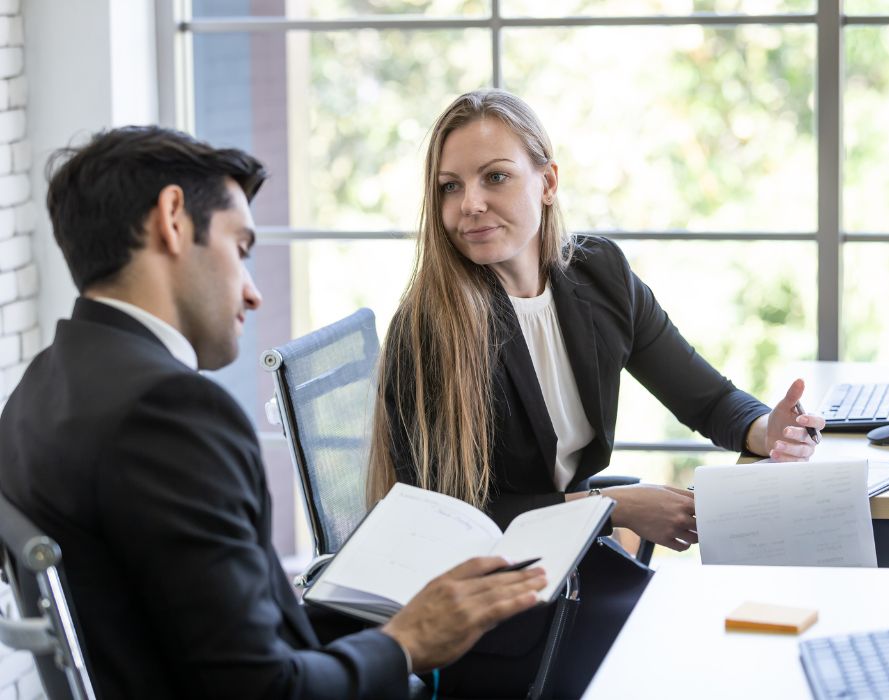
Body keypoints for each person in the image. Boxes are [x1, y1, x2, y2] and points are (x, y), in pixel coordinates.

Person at [0, 125, 548, 700]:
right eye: (240, 249)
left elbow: (205, 629)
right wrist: (409, 641)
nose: (253, 292)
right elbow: (262, 690)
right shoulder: (168, 414)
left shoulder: (37, 389)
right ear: (173, 219)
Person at [367, 89, 826, 696]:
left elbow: (708, 400)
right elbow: (452, 520)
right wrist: (613, 510)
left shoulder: (597, 274)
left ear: (548, 181)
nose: (470, 204)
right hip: (492, 614)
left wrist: (768, 430)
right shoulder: (433, 326)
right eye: (450, 187)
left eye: (494, 177)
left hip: (566, 567)